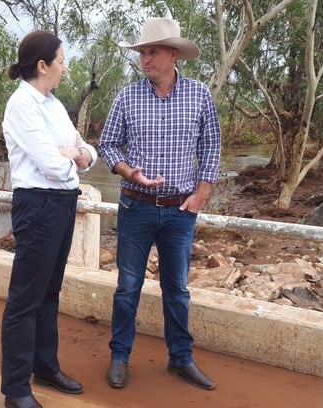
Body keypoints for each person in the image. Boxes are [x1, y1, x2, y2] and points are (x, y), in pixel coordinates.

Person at [98, 17, 221, 391]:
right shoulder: (126, 96)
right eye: (142, 53)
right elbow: (106, 144)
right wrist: (126, 172)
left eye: (152, 52)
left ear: (172, 54)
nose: (145, 58)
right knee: (127, 287)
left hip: (180, 211)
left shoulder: (199, 95)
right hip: (136, 207)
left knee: (177, 290)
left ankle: (180, 360)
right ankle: (119, 357)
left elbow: (211, 147)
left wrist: (202, 192)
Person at [0, 30, 98, 408]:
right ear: (42, 65)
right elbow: (54, 166)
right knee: (25, 298)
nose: (64, 67)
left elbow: (87, 153)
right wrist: (70, 155)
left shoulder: (53, 104)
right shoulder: (22, 105)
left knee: (49, 292)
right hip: (38, 204)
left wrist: (74, 153)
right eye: (60, 61)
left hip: (61, 204)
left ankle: (45, 367)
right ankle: (16, 390)